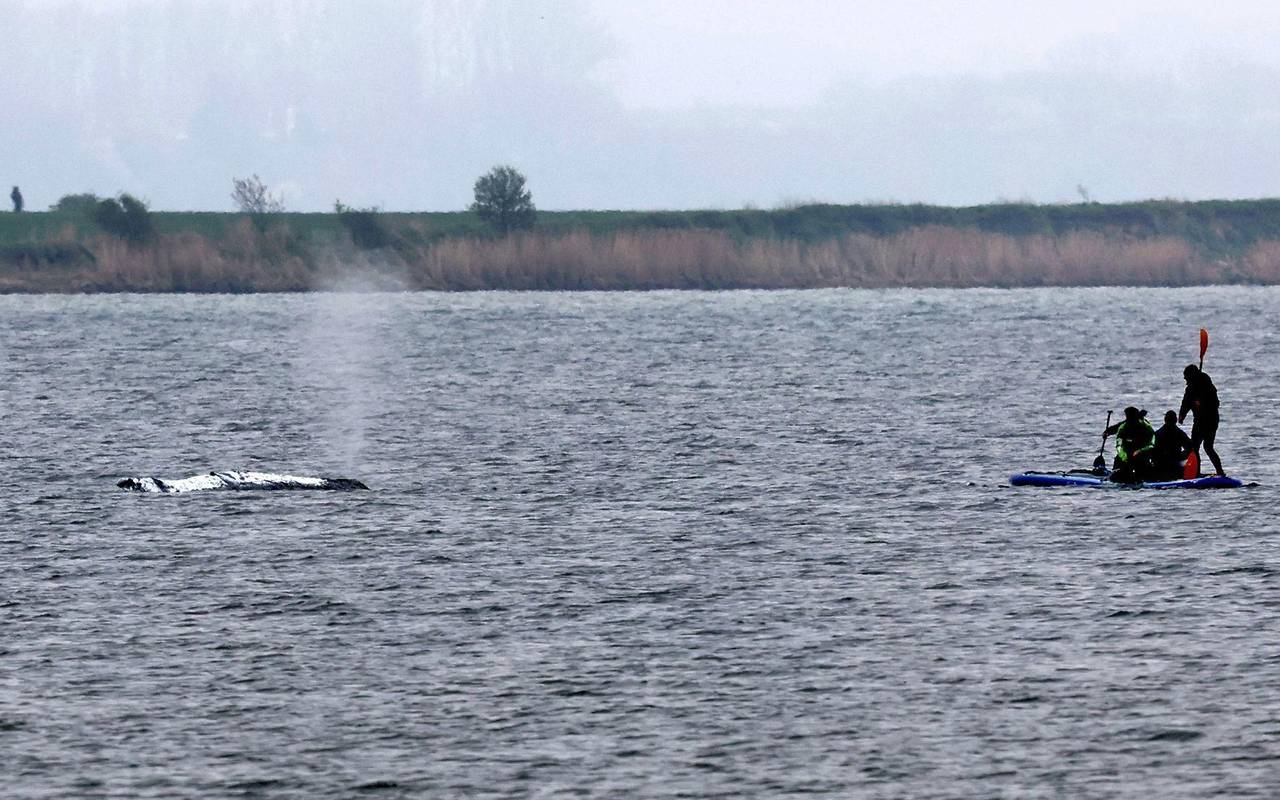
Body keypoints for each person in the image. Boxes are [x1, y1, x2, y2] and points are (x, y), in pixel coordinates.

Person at [1179, 364, 1226, 477]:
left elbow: (1215, 403)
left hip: (1210, 420)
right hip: (1199, 421)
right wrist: (1182, 415)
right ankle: (1196, 472)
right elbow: (1186, 402)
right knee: (1194, 448)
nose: (1185, 380)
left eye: (1186, 377)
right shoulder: (1190, 388)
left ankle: (1220, 472)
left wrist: (1201, 402)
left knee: (1208, 447)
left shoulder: (1206, 385)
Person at [1103, 406, 1156, 482]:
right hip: (1126, 456)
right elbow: (1119, 444)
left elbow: (1151, 444)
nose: (1129, 421)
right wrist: (1107, 432)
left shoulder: (1146, 427)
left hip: (1142, 456)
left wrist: (1140, 451)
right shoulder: (1125, 425)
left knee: (1141, 464)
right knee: (1119, 460)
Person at [1152, 410, 1194, 479]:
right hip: (1165, 463)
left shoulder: (1158, 433)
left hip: (1170, 462)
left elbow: (1189, 447)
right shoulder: (1177, 433)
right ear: (1175, 420)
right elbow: (1190, 448)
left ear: (1165, 420)